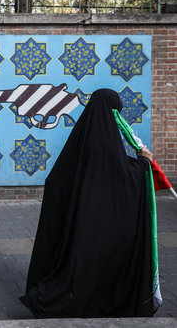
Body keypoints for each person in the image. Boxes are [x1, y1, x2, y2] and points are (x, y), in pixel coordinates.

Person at [21, 88, 156, 318]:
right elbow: (121, 175)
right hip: (98, 221)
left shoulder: (84, 135)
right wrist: (143, 163)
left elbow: (61, 177)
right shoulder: (105, 139)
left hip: (82, 216)